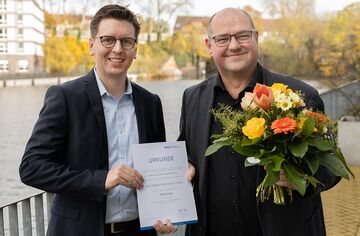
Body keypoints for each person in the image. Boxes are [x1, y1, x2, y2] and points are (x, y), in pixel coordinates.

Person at [178, 8, 341, 236]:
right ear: (209, 45)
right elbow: (186, 152)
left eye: (242, 35)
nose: (233, 45)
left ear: (256, 37)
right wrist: (182, 167)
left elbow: (332, 165)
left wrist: (301, 178)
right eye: (223, 38)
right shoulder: (192, 97)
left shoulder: (300, 95)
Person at [19, 5, 166, 236]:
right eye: (108, 40)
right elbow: (32, 168)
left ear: (135, 49)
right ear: (91, 45)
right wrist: (102, 179)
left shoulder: (151, 103)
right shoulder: (65, 97)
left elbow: (158, 168)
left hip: (139, 230)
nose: (117, 49)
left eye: (127, 41)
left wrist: (164, 211)